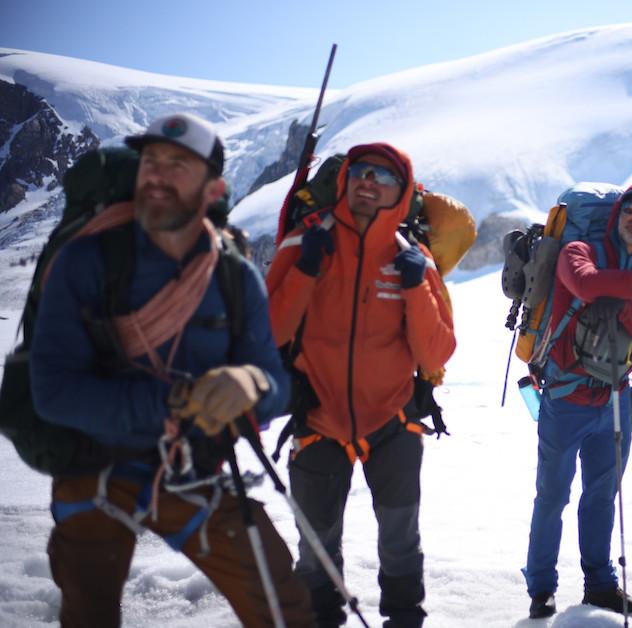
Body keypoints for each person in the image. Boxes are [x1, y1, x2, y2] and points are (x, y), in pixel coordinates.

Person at [30, 113, 313, 627]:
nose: (157, 174)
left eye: (178, 164)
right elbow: (52, 392)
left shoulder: (233, 276)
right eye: (150, 162)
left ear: (213, 187)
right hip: (95, 470)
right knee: (88, 610)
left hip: (192, 471)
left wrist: (249, 383)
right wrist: (174, 401)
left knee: (282, 601)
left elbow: (274, 386)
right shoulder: (87, 262)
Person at [267, 143, 456, 627]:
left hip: (393, 420)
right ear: (346, 179)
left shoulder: (413, 257)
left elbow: (435, 352)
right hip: (318, 419)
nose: (369, 182)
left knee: (399, 539)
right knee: (316, 546)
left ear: (402, 191)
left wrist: (415, 287)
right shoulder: (304, 244)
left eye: (384, 177)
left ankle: (404, 618)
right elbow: (268, 334)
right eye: (361, 172)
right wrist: (306, 271)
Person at [523, 182, 632, 619]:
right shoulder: (580, 249)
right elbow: (582, 283)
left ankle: (599, 583)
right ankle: (541, 587)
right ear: (617, 212)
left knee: (601, 495)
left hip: (615, 399)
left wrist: (616, 302)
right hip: (565, 397)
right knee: (552, 494)